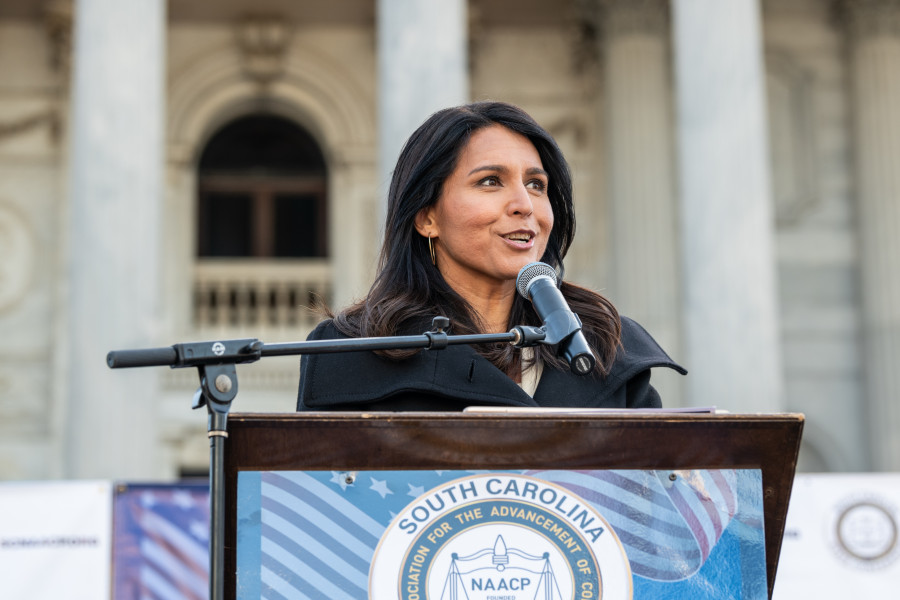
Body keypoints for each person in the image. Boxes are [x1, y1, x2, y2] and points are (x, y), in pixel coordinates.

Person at [297, 101, 684, 412]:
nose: (524, 205)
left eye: (536, 184)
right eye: (490, 181)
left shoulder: (607, 344)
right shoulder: (353, 353)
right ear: (427, 217)